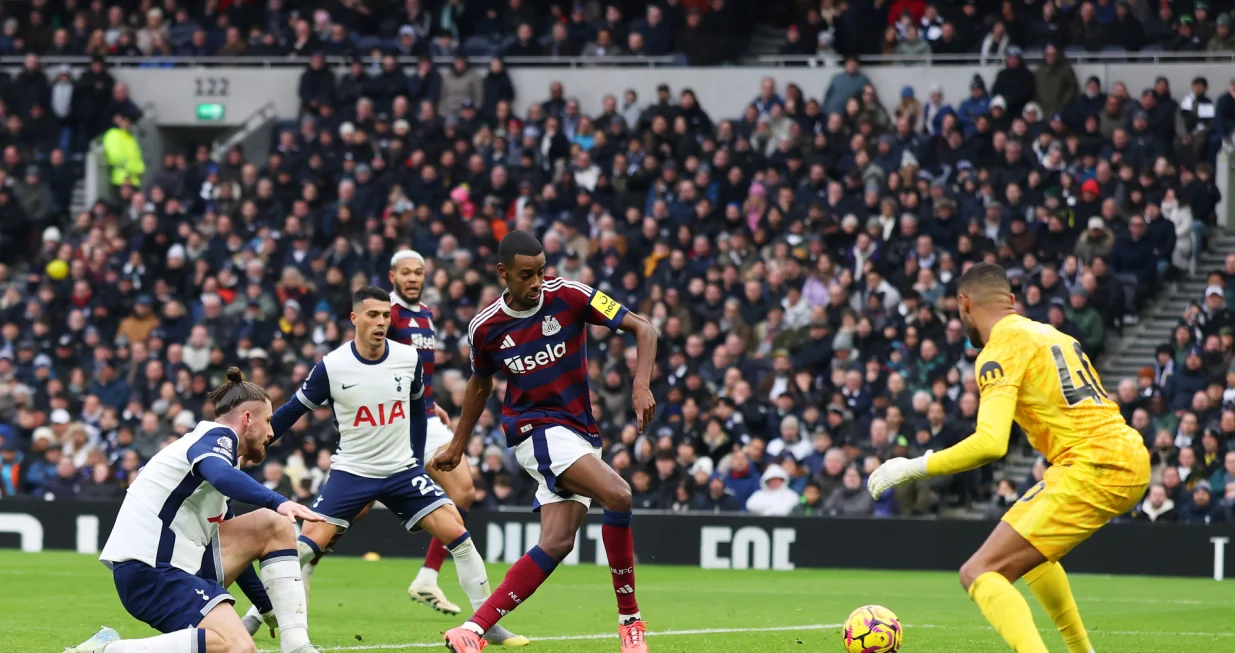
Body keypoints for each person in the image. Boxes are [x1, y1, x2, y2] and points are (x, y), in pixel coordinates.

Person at [869, 262, 1150, 653]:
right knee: (1032, 551)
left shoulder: (999, 349)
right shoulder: (1050, 333)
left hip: (1094, 463)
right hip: (1119, 452)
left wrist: (913, 466)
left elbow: (990, 443)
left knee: (978, 571)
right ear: (1012, 301)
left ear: (964, 303)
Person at [435, 230, 658, 653]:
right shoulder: (485, 328)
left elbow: (643, 328)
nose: (537, 282)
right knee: (619, 494)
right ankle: (630, 622)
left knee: (556, 543)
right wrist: (458, 445)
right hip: (536, 431)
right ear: (504, 274)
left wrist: (640, 383)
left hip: (581, 432)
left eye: (541, 271)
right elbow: (479, 385)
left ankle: (472, 629)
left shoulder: (572, 296)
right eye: (526, 275)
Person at [290, 251, 527, 647]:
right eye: (406, 272)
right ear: (393, 275)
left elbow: (414, 374)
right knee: (351, 514)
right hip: (389, 424)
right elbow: (373, 366)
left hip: (423, 416)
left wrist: (429, 403)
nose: (413, 278)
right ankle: (300, 570)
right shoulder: (388, 312)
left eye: (419, 272)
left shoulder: (425, 315)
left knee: (463, 494)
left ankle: (429, 578)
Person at [66, 369, 324, 653]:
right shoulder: (216, 439)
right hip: (152, 571)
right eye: (268, 421)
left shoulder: (215, 460)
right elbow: (223, 476)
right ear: (248, 419)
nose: (271, 432)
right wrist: (278, 500)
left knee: (272, 526)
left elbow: (241, 551)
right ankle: (108, 650)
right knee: (237, 646)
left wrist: (266, 606)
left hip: (177, 566)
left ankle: (297, 645)